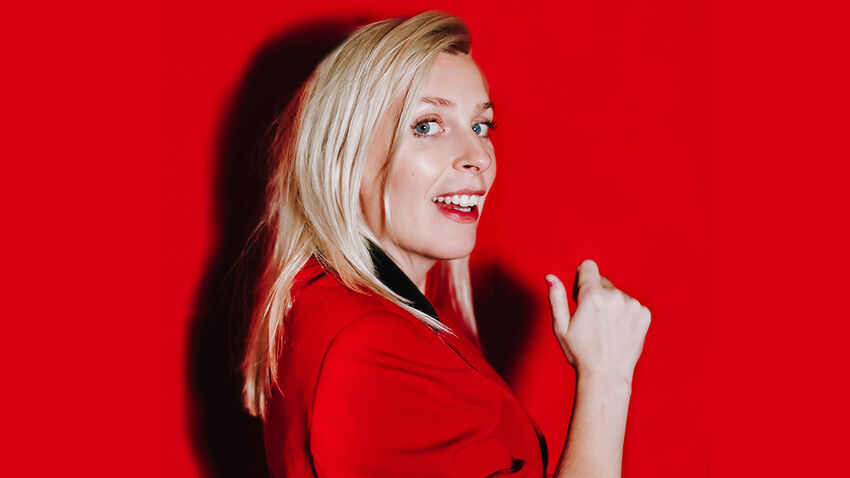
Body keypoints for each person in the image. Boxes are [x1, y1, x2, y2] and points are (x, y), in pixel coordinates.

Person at [241, 11, 651, 478]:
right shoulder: (372, 350)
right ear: (345, 157)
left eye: (481, 126)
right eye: (427, 125)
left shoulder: (328, 298)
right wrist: (607, 376)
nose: (478, 156)